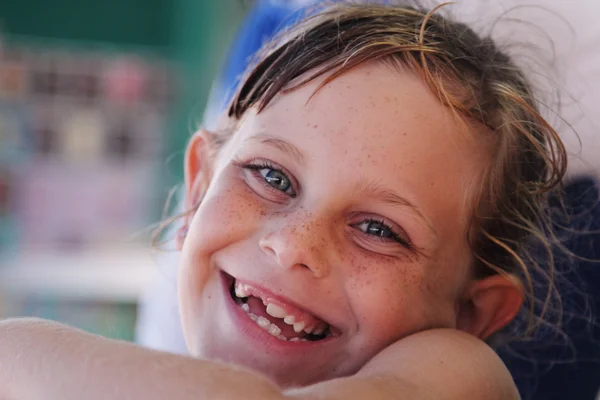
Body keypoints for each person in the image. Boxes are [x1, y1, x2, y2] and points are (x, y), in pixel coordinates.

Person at [0, 2, 572, 399]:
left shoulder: (460, 374)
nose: (292, 244)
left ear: (472, 312)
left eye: (378, 229)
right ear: (199, 190)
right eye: (270, 176)